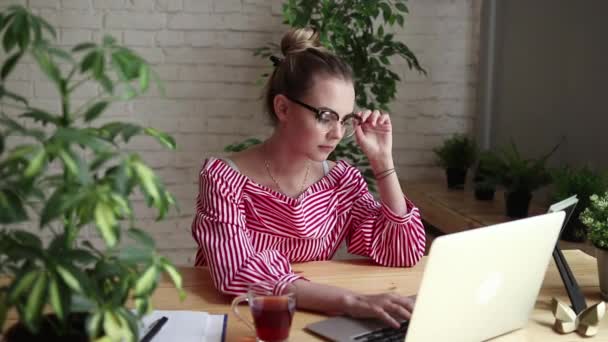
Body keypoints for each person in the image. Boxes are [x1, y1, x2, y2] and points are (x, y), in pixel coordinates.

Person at [191, 27, 426, 329]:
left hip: (310, 319)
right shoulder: (223, 179)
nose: (338, 133)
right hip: (241, 321)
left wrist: (383, 163)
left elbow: (402, 253)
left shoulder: (342, 183)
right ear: (283, 108)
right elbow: (238, 273)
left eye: (344, 120)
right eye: (326, 116)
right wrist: (354, 302)